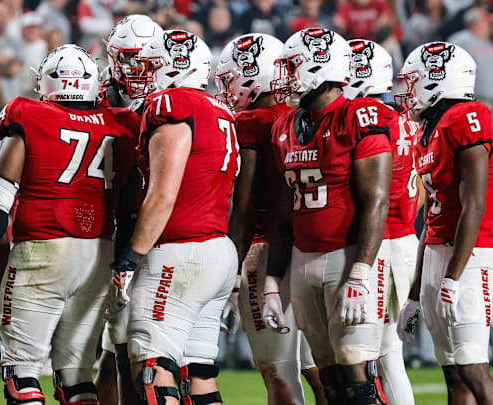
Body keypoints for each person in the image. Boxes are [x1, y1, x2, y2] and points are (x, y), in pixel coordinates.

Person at [0, 44, 140, 405]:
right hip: (99, 255)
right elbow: (131, 209)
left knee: (23, 371)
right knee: (77, 376)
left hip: (42, 247)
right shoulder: (122, 123)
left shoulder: (29, 114)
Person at [264, 27, 394, 405]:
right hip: (304, 257)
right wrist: (273, 280)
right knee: (329, 378)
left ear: (319, 68)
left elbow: (377, 199)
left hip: (348, 255)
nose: (286, 76)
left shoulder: (359, 114)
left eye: (293, 67)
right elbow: (284, 208)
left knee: (357, 372)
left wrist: (360, 272)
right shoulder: (285, 125)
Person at [117, 29, 238, 405]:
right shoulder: (221, 110)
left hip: (179, 252)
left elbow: (164, 193)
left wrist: (129, 259)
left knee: (152, 367)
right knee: (197, 372)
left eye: (152, 65)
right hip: (217, 248)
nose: (146, 74)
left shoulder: (172, 105)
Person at [216, 32, 326, 405]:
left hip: (264, 252)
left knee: (278, 370)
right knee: (321, 367)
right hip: (311, 248)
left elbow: (244, 208)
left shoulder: (252, 122)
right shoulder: (305, 116)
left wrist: (229, 270)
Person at [395, 41, 493, 404]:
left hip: (469, 256)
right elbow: (434, 217)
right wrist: (414, 294)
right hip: (439, 253)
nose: (407, 91)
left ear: (439, 80)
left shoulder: (467, 116)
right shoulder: (430, 128)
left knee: (473, 367)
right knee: (453, 373)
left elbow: (475, 204)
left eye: (414, 81)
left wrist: (454, 277)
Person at [343, 38, 416, 405]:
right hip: (401, 237)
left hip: (383, 243)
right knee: (386, 355)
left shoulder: (372, 120)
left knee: (382, 355)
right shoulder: (402, 121)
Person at [96, 14, 162, 405]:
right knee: (116, 348)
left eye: (146, 59)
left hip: (154, 227)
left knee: (135, 348)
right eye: (129, 58)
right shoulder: (91, 92)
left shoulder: (171, 96)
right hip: (107, 227)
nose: (138, 69)